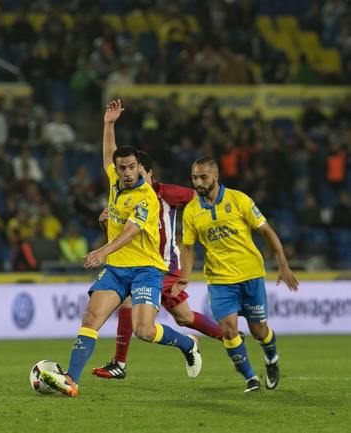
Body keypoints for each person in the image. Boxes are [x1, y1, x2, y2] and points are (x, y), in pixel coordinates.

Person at [40, 100, 202, 397]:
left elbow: (130, 231)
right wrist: (109, 124)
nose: (126, 172)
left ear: (140, 167)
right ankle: (71, 380)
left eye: (131, 167)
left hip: (146, 270)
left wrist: (103, 250)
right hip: (117, 270)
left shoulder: (147, 197)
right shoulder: (115, 181)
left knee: (144, 331)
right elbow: (107, 154)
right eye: (122, 168)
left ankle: (188, 344)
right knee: (90, 319)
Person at [92, 151, 223, 380]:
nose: (131, 174)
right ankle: (228, 336)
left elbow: (199, 198)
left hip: (164, 264)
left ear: (148, 172)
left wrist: (203, 226)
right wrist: (106, 223)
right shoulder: (125, 197)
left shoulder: (166, 193)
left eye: (137, 169)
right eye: (128, 169)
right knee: (183, 317)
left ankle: (120, 363)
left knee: (133, 301)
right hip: (143, 263)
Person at [175, 156, 299, 393]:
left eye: (203, 177)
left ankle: (272, 360)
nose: (198, 182)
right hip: (220, 281)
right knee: (229, 330)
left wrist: (282, 263)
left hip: (250, 275)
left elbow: (266, 232)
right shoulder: (191, 211)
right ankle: (250, 378)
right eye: (194, 177)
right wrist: (185, 275)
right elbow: (188, 247)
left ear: (215, 176)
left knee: (259, 331)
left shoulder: (239, 199)